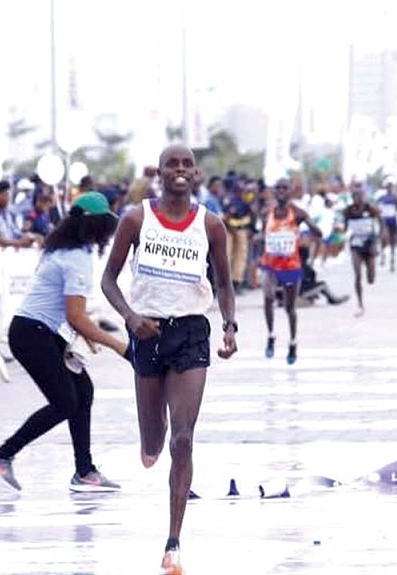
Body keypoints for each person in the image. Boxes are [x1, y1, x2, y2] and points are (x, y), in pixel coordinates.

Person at [100, 144, 238, 575]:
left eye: (186, 165)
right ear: (159, 173)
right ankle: (151, 435)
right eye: (171, 165)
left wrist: (229, 326)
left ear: (195, 173)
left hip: (191, 332)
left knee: (183, 439)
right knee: (154, 442)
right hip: (147, 331)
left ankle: (173, 541)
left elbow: (225, 284)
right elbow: (108, 280)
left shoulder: (210, 224)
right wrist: (130, 318)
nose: (180, 170)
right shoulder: (136, 219)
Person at [0, 192, 128, 493]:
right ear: (95, 226)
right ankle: (3, 455)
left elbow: (69, 311)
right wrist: (120, 346)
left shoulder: (60, 248)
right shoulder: (77, 258)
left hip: (39, 331)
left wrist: (87, 337)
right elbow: (76, 316)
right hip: (32, 334)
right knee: (65, 402)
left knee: (83, 392)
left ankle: (85, 471)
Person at [259, 178, 323, 365]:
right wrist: (260, 239)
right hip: (270, 264)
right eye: (278, 188)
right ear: (274, 191)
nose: (281, 191)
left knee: (289, 307)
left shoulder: (298, 212)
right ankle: (271, 335)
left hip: (290, 266)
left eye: (284, 188)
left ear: (290, 191)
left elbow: (319, 233)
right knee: (268, 298)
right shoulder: (266, 212)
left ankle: (293, 342)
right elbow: (263, 233)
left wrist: (307, 228)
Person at [344, 183, 381, 317]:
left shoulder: (370, 208)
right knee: (357, 274)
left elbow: (380, 221)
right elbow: (344, 226)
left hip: (369, 243)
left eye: (360, 195)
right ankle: (360, 304)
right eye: (355, 196)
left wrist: (379, 237)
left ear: (364, 196)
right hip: (356, 244)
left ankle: (371, 274)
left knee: (371, 278)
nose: (358, 198)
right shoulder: (348, 211)